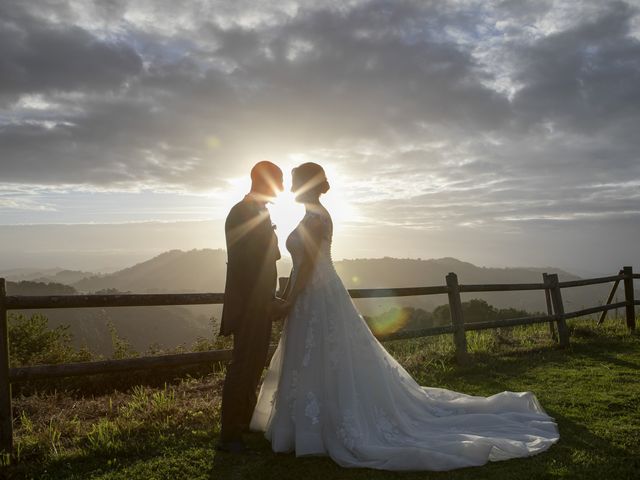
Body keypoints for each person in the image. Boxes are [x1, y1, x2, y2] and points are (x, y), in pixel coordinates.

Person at [250, 162, 559, 471]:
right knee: (316, 356)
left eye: (293, 181)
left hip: (316, 295)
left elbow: (306, 267)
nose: (289, 188)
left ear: (306, 184)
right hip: (314, 294)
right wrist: (286, 296)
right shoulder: (311, 216)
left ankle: (318, 428)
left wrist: (287, 302)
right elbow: (298, 265)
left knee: (324, 356)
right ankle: (306, 427)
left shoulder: (315, 219)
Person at [217, 161, 290, 453]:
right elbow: (246, 267)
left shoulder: (258, 210)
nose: (283, 187)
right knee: (243, 366)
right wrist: (267, 301)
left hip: (258, 303)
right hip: (250, 305)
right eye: (279, 181)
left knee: (253, 364)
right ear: (265, 181)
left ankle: (242, 423)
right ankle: (229, 435)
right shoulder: (243, 212)